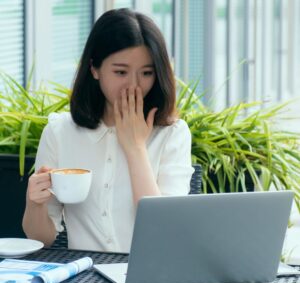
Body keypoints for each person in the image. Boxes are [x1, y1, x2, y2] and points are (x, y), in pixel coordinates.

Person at [23, 8, 194, 252]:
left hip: (150, 279)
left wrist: (135, 148)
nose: (133, 85)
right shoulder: (60, 132)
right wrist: (35, 204)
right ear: (94, 69)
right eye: (120, 72)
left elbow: (163, 232)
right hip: (83, 282)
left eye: (146, 73)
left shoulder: (173, 134)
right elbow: (41, 238)